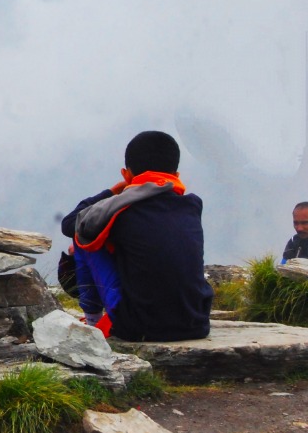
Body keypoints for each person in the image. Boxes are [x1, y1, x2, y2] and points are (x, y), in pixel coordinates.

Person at [60, 130, 212, 341]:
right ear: (176, 176)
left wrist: (113, 192)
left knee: (83, 239)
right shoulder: (192, 205)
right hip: (196, 323)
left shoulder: (122, 208)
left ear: (127, 175)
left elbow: (70, 224)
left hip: (138, 327)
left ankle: (93, 323)